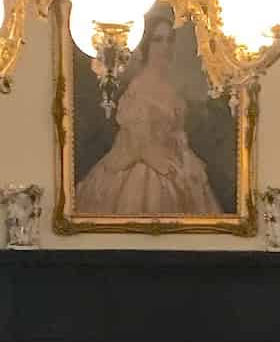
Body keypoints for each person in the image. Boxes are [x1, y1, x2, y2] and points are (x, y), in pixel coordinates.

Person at [74, 14, 223, 216]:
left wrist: (185, 161)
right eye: (158, 40)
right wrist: (164, 167)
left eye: (170, 40)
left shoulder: (171, 88)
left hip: (174, 161)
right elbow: (138, 142)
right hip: (143, 167)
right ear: (147, 45)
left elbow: (177, 134)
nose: (165, 46)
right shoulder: (138, 88)